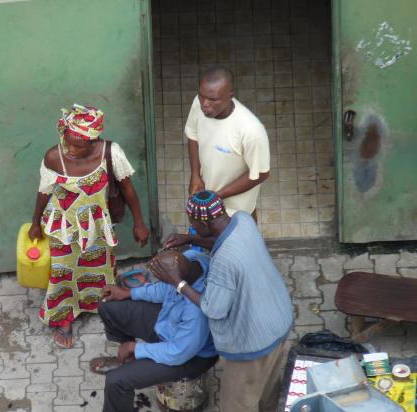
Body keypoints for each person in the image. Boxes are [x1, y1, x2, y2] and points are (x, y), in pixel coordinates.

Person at [152, 191, 293, 412]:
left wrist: (177, 282)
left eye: (194, 227)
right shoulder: (243, 220)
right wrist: (190, 239)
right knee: (268, 392)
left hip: (253, 343)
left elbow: (213, 308)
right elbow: (219, 237)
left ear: (204, 223)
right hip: (280, 321)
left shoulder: (223, 262)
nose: (194, 229)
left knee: (239, 404)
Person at [29, 103, 150, 349]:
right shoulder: (54, 156)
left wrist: (139, 222)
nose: (71, 149)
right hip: (63, 226)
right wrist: (35, 223)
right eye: (68, 141)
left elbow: (128, 189)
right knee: (62, 271)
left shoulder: (110, 153)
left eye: (79, 145)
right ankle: (64, 317)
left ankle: (102, 305)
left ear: (93, 141)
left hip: (97, 224)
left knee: (99, 267)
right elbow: (44, 192)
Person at [95, 250, 217, 412]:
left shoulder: (196, 312)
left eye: (166, 281)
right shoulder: (192, 259)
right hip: (170, 326)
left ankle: (130, 358)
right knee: (107, 306)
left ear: (176, 280)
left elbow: (178, 352)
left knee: (116, 381)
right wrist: (129, 293)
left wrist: (137, 348)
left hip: (191, 357)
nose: (161, 283)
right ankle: (127, 358)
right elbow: (161, 290)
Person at [185, 66, 270, 220]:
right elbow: (192, 135)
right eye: (201, 95)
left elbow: (261, 173)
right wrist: (195, 175)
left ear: (230, 95)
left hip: (237, 213)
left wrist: (218, 195)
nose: (205, 103)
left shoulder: (251, 130)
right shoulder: (198, 105)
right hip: (206, 204)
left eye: (213, 99)